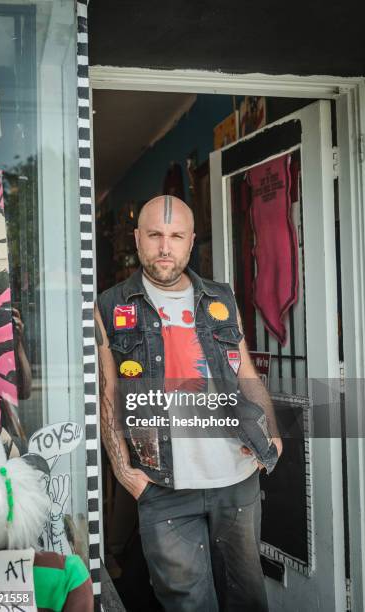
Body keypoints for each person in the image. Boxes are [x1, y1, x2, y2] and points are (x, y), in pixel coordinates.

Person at [95, 195, 283, 612]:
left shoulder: (221, 298)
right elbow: (108, 393)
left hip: (236, 479)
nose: (165, 246)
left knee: (247, 601)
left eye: (176, 236)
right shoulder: (110, 306)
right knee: (186, 605)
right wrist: (126, 472)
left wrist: (270, 429)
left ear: (191, 240)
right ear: (138, 238)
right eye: (156, 235)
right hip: (164, 487)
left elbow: (246, 373)